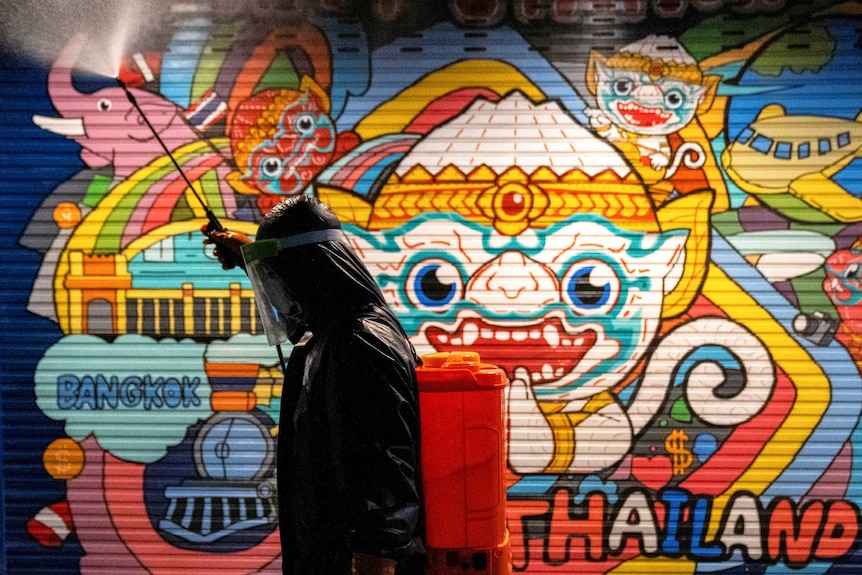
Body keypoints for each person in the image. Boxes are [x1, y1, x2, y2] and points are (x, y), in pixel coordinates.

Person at [204, 196, 425, 575]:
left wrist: (375, 560)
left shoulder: (360, 343)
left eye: (279, 275)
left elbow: (387, 471)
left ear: (307, 272)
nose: (276, 288)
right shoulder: (334, 334)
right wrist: (250, 256)